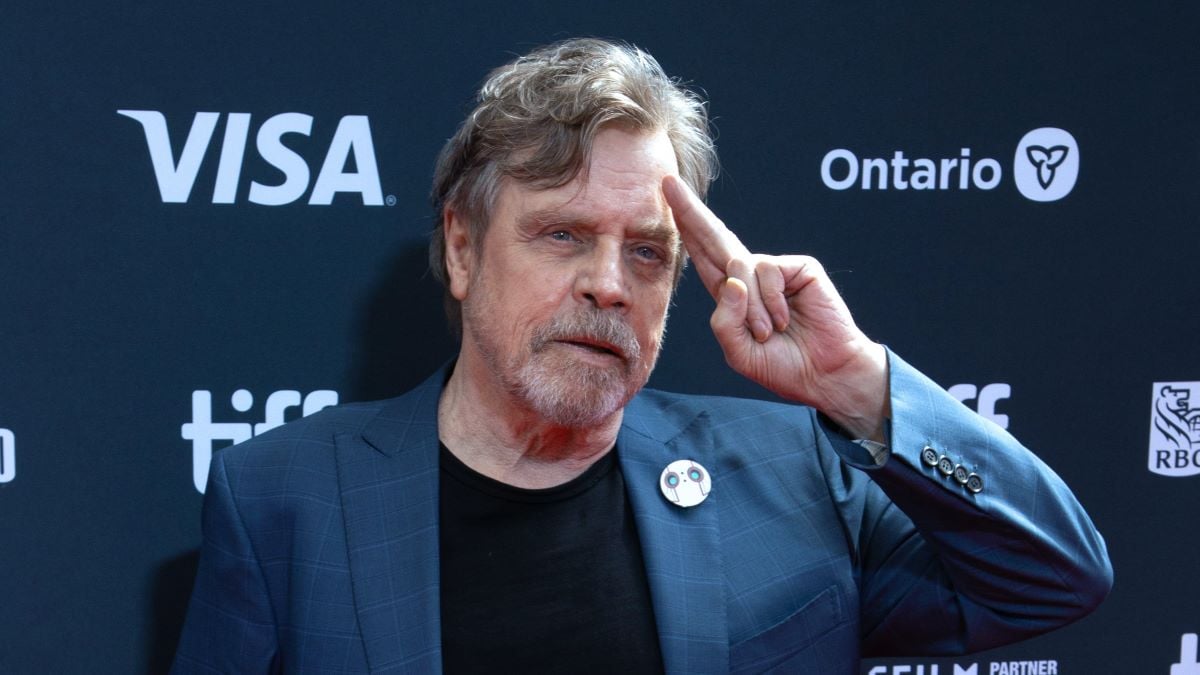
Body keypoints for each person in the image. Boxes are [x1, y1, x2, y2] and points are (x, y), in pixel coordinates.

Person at [172, 38, 1111, 674]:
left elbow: (1057, 574)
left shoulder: (796, 473)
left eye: (649, 251)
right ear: (462, 248)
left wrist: (857, 389)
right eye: (564, 236)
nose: (609, 284)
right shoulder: (283, 499)